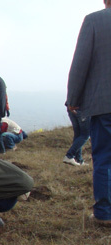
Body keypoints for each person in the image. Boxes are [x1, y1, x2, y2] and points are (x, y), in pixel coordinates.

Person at [67, 0, 111, 226]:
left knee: (104, 158)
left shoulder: (95, 20)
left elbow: (81, 62)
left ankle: (104, 214)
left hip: (105, 104)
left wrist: (73, 98)